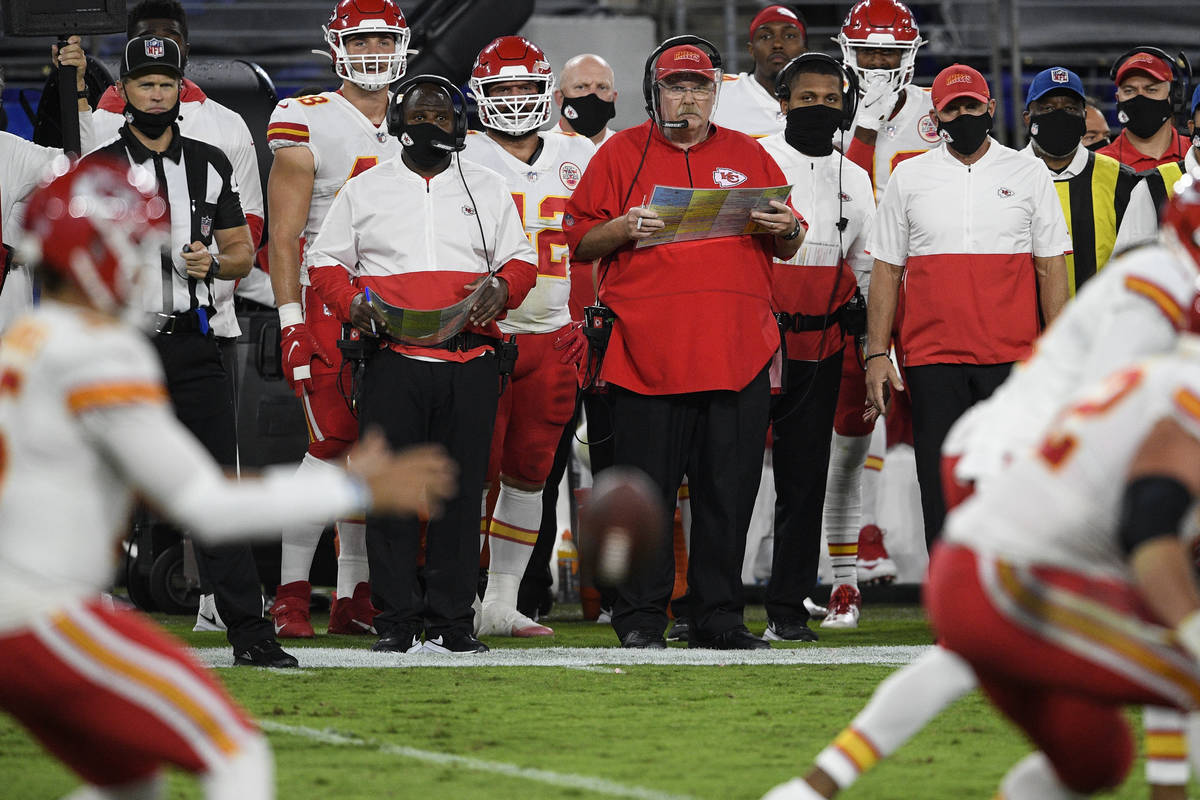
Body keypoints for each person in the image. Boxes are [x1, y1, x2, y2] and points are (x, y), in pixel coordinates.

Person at [0, 156, 455, 800]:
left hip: (18, 604)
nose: (138, 266)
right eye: (132, 248)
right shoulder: (96, 350)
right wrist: (354, 488)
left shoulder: (27, 339)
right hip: (37, 613)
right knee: (234, 751)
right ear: (92, 257)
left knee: (131, 779)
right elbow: (204, 505)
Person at [760, 169, 1200, 800]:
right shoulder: (1160, 305)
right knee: (1159, 646)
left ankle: (818, 784)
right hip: (1027, 487)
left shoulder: (1164, 309)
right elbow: (1141, 480)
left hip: (1023, 500)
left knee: (1089, 749)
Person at [564, 38, 804, 650]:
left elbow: (788, 240)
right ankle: (642, 617)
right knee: (648, 497)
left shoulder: (750, 154)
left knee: (729, 495)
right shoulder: (619, 153)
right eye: (676, 86)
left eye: (698, 86)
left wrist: (789, 228)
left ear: (714, 93)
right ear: (655, 93)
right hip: (647, 355)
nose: (688, 97)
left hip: (736, 353)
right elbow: (579, 241)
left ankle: (719, 616)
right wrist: (621, 227)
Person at [307, 76, 537, 655]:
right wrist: (350, 303)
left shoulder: (487, 186)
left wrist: (505, 287)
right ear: (398, 120)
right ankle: (396, 620)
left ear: (460, 124)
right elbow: (324, 259)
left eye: (441, 114)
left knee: (462, 493)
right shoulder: (365, 188)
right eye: (419, 112)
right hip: (392, 358)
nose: (429, 122)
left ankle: (454, 621)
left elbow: (523, 259)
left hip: (473, 358)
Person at [83, 35, 293, 668]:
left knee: (212, 489)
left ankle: (250, 634)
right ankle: (79, 623)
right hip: (122, 346)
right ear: (126, 92)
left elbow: (240, 252)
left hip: (196, 343)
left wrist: (214, 262)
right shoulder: (98, 169)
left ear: (181, 91)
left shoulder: (208, 161)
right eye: (145, 83)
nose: (156, 93)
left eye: (165, 83)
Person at [863, 63, 1070, 549]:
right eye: (952, 107)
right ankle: (949, 615)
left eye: (971, 105)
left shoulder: (1028, 171)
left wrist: (1061, 358)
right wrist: (877, 354)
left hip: (1013, 358)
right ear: (936, 116)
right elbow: (886, 270)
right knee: (940, 491)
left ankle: (1003, 610)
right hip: (932, 358)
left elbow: (1050, 266)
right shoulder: (908, 176)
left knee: (1011, 488)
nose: (963, 114)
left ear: (989, 108)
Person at [264, 0, 409, 639]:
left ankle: (354, 592)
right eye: (362, 40)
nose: (374, 52)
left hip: (402, 300)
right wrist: (292, 317)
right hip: (330, 298)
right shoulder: (307, 116)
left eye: (384, 39)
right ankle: (291, 592)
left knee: (373, 447)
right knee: (330, 446)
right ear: (336, 47)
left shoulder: (419, 117)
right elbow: (286, 234)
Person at [464, 35, 596, 638]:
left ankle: (502, 601)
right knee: (468, 472)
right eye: (503, 88)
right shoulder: (460, 155)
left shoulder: (581, 153)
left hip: (552, 335)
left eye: (525, 87)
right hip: (480, 335)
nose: (515, 100)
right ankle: (454, 596)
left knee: (530, 474)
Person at [758, 55, 875, 634]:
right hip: (755, 343)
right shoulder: (755, 160)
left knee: (804, 480)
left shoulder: (855, 178)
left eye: (831, 99)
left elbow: (868, 266)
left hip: (823, 343)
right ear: (783, 103)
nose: (820, 108)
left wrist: (875, 347)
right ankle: (713, 605)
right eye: (807, 99)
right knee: (725, 476)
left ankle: (787, 609)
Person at [828, 0, 935, 587]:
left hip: (925, 287)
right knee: (852, 423)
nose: (876, 63)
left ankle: (940, 557)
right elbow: (838, 195)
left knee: (931, 417)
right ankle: (854, 555)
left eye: (888, 53)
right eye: (867, 51)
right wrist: (864, 126)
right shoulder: (827, 106)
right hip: (851, 286)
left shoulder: (935, 109)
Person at [1022, 67, 1142, 294]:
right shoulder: (1005, 177)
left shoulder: (1121, 180)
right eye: (1048, 108)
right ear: (1028, 118)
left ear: (1084, 118)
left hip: (1100, 324)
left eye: (1069, 108)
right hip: (1025, 326)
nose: (1060, 115)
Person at [710, 5, 807, 137]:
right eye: (765, 36)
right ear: (751, 50)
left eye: (789, 36)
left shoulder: (832, 92)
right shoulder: (718, 91)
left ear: (804, 49)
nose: (777, 44)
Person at [1098, 47, 1191, 171]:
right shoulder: (1099, 165)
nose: (1140, 97)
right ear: (1118, 98)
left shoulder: (1195, 154)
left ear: (1174, 98)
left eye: (1151, 89)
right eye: (1129, 90)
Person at [554, 53, 619, 147]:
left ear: (614, 98)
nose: (592, 95)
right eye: (581, 87)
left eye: (602, 87)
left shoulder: (628, 153)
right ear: (559, 98)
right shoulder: (538, 153)